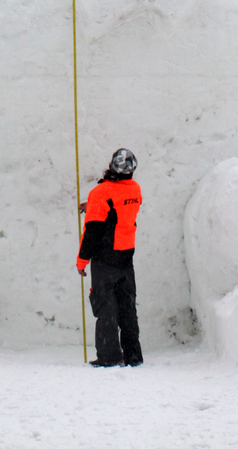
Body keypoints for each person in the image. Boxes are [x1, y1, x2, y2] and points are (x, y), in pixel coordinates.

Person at [76, 148, 143, 367]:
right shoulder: (135, 190)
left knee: (106, 310)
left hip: (105, 260)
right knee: (127, 309)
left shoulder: (100, 193)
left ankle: (110, 357)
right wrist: (93, 206)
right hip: (126, 259)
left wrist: (82, 261)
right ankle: (133, 356)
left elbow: (93, 232)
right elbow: (119, 211)